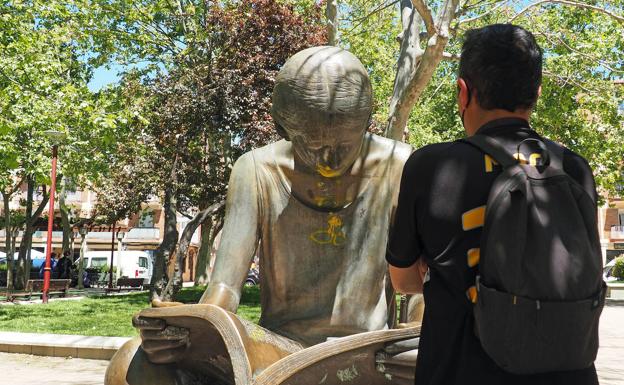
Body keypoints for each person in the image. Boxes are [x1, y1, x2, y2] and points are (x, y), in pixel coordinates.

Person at [106, 46, 415, 385]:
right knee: (132, 363)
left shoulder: (398, 165)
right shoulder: (256, 170)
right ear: (284, 128)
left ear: (365, 122)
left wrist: (418, 337)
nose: (329, 159)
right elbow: (225, 286)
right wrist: (190, 329)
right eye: (313, 145)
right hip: (280, 351)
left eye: (345, 145)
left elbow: (420, 288)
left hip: (367, 355)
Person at [387, 24, 600, 385]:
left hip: (457, 372)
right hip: (569, 374)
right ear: (537, 92)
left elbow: (404, 280)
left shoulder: (432, 167)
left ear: (462, 93)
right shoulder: (574, 169)